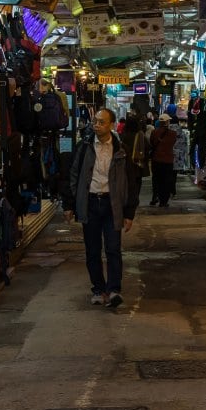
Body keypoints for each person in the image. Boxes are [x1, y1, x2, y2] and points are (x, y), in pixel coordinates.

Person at [69, 108, 137, 309]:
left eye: (101, 122)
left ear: (111, 125)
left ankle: (114, 289)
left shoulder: (121, 149)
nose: (96, 125)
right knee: (92, 250)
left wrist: (129, 212)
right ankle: (98, 289)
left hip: (112, 204)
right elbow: (73, 175)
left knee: (113, 249)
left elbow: (131, 182)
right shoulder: (84, 146)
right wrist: (73, 201)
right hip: (90, 203)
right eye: (95, 121)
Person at [148, 114, 180, 207]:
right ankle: (164, 201)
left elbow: (152, 142)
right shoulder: (173, 134)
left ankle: (155, 196)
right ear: (167, 122)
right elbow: (173, 144)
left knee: (156, 179)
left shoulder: (154, 132)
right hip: (168, 161)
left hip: (156, 160)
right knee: (166, 181)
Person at [188, 95, 206, 170]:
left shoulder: (193, 102)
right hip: (202, 130)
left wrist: (190, 128)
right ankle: (200, 165)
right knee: (201, 149)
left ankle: (195, 165)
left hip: (196, 130)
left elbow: (189, 116)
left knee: (193, 148)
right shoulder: (204, 102)